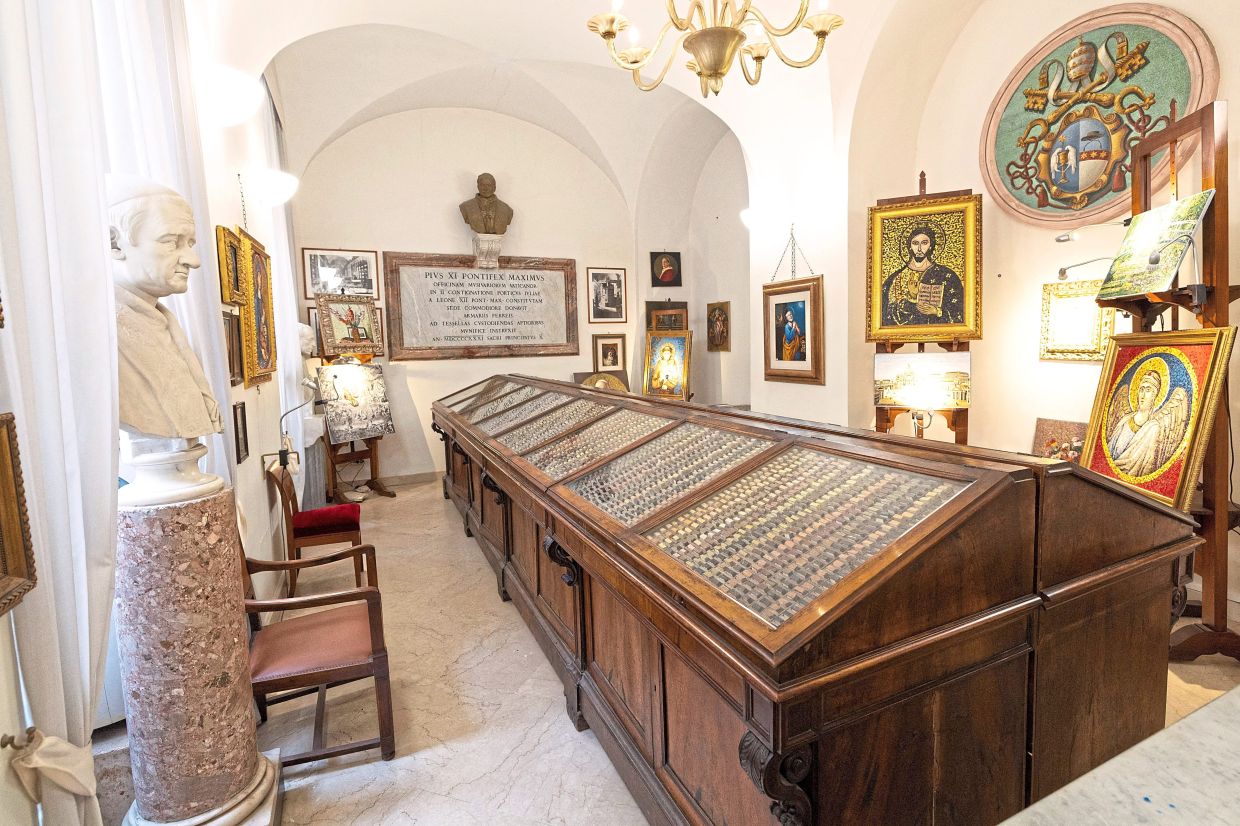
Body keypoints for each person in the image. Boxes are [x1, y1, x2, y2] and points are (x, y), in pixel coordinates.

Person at [109, 174, 223, 442]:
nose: (193, 261)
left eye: (190, 244)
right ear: (115, 244)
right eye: (171, 241)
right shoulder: (101, 334)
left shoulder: (166, 323)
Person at [1107, 365, 1189, 477]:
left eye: (1148, 390)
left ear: (1156, 395)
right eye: (1141, 389)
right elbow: (1108, 455)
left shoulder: (1153, 427)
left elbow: (1149, 466)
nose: (1143, 395)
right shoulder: (1124, 420)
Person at [881, 226, 964, 326]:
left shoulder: (946, 275)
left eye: (924, 243)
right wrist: (912, 298)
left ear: (931, 246)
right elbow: (886, 312)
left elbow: (958, 310)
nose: (919, 248)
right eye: (915, 243)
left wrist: (937, 311)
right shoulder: (897, 277)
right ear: (910, 246)